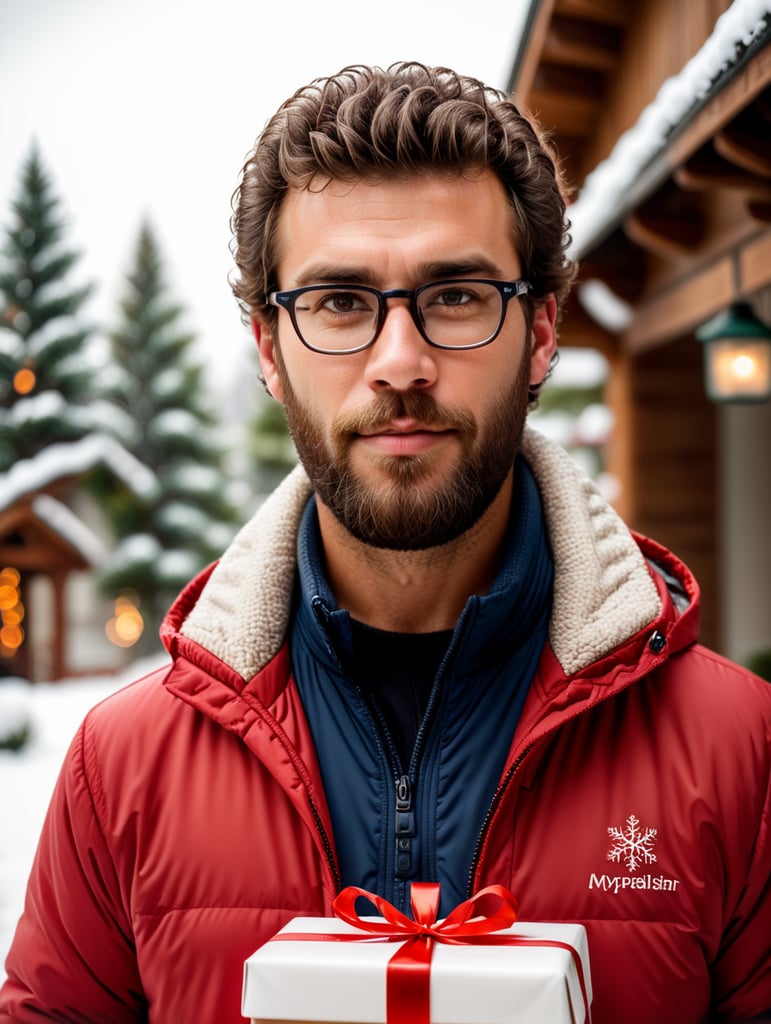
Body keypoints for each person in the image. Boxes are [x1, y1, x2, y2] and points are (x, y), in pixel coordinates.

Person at [1, 62, 769, 1024]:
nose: (399, 362)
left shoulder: (744, 755)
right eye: (338, 302)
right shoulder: (122, 769)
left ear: (538, 332)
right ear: (269, 352)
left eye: (454, 296)